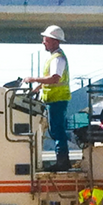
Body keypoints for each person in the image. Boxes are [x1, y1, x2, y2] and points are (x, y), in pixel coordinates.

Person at [23, 25, 71, 171]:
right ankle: (63, 160)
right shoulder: (55, 58)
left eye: (46, 40)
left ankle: (62, 162)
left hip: (57, 99)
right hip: (54, 99)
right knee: (55, 129)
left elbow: (54, 78)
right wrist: (38, 88)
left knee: (57, 130)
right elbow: (52, 80)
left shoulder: (57, 59)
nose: (43, 42)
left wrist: (33, 79)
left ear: (55, 42)